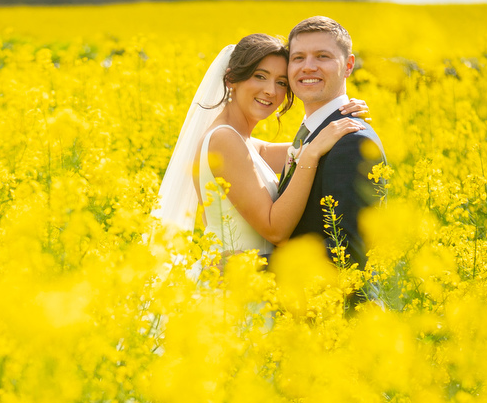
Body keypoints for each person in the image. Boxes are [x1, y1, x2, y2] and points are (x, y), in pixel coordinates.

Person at [154, 34, 368, 259]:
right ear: (231, 80)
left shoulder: (245, 143)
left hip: (252, 282)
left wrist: (341, 110)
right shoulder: (223, 140)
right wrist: (312, 153)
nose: (271, 91)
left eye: (281, 82)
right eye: (260, 76)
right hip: (230, 285)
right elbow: (274, 230)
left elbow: (298, 148)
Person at [277, 15, 386, 267]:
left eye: (322, 56)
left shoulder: (351, 143)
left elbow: (349, 256)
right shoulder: (314, 134)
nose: (308, 67)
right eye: (298, 58)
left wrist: (252, 265)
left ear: (348, 66)